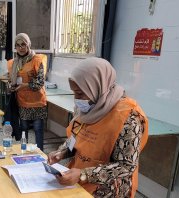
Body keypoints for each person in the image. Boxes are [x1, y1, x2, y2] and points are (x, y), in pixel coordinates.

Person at [47, 57, 149, 197]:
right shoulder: (87, 109)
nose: (76, 99)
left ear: (96, 86)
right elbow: (76, 136)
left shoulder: (128, 118)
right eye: (74, 92)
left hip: (108, 189)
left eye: (80, 93)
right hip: (79, 178)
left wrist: (84, 174)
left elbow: (126, 166)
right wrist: (62, 152)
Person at [7, 33, 47, 151]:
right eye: (18, 45)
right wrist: (11, 86)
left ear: (28, 44)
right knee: (23, 128)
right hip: (22, 102)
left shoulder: (38, 60)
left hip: (37, 103)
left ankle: (40, 156)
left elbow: (39, 83)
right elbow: (11, 80)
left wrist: (23, 85)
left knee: (38, 129)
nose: (21, 48)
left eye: (23, 44)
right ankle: (24, 153)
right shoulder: (13, 63)